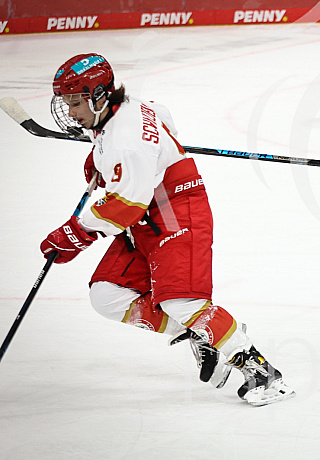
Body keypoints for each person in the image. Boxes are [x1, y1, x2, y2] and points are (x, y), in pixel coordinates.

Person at [40, 53, 295, 405]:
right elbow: (162, 116)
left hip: (175, 212)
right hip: (147, 215)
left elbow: (125, 205)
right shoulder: (125, 107)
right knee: (107, 295)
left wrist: (75, 233)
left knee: (182, 301)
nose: (70, 112)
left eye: (75, 102)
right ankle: (202, 333)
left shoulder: (127, 139)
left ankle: (264, 374)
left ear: (98, 94)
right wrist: (105, 159)